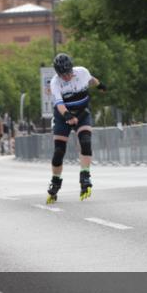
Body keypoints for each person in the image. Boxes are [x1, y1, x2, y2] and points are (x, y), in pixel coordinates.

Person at [46, 53, 107, 203]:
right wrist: (67, 116)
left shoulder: (82, 72)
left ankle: (85, 176)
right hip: (63, 116)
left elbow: (92, 80)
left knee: (85, 141)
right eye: (62, 75)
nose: (66, 77)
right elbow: (59, 104)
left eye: (68, 73)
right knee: (59, 151)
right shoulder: (55, 82)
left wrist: (100, 85)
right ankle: (55, 181)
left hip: (81, 113)